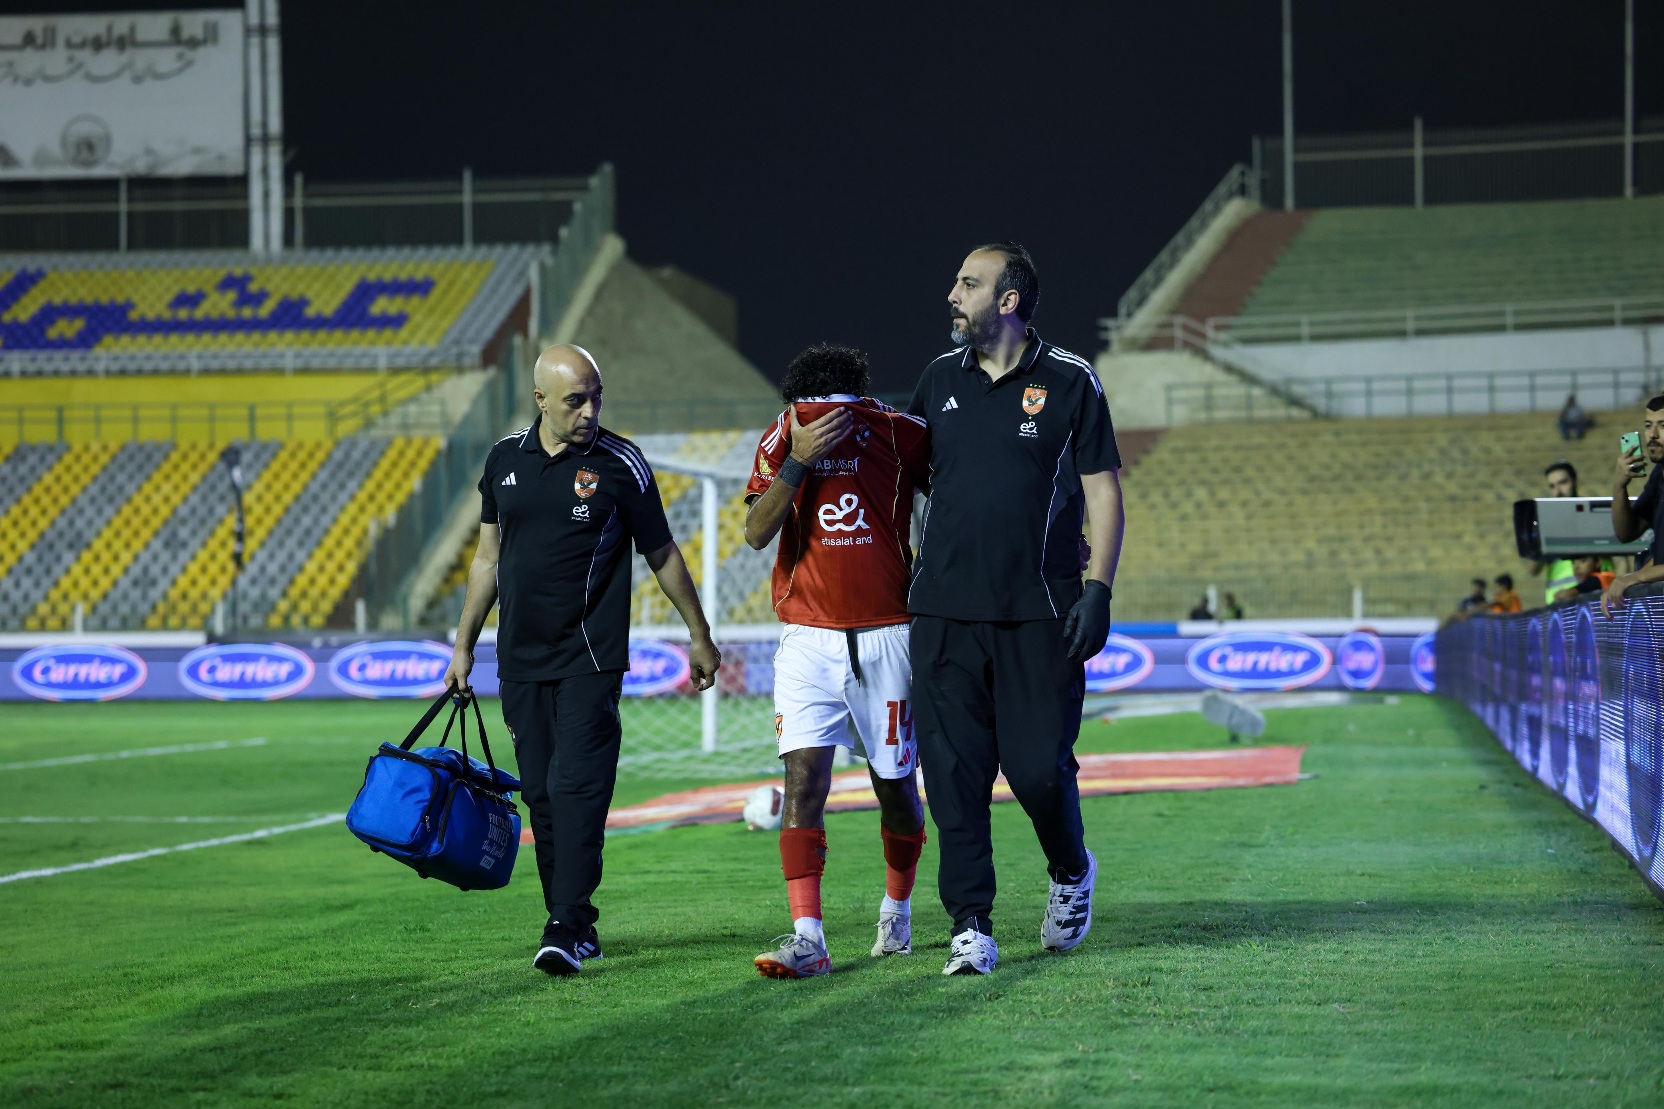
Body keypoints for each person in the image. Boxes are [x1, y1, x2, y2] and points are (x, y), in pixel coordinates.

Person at [442, 344, 720, 977]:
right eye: (575, 400)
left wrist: (698, 636)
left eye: (597, 397)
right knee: (541, 795)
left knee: (577, 789)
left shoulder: (621, 463)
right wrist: (463, 647)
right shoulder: (503, 461)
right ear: (540, 400)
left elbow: (664, 554)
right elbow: (486, 560)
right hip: (519, 661)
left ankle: (563, 926)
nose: (590, 410)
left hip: (591, 658)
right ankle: (575, 923)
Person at [906, 242, 1124, 976]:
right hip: (942, 615)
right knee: (954, 778)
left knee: (1037, 770)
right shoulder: (937, 381)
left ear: (1007, 300)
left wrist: (1099, 589)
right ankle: (970, 924)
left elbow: (1103, 491)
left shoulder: (1070, 380)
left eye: (968, 283)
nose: (952, 293)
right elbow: (909, 487)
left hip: (1041, 611)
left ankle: (1071, 870)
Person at [740, 344, 932, 979]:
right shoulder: (783, 436)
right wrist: (798, 460)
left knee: (895, 787)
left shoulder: (900, 433)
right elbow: (755, 530)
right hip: (807, 639)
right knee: (804, 785)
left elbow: (959, 495)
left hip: (887, 634)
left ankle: (897, 910)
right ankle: (808, 937)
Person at [1604, 394, 1664, 616]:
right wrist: (1619, 486)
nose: (1653, 435)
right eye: (1648, 426)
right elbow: (1626, 533)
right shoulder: (1659, 476)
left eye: (1662, 425)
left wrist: (1634, 577)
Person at [1532, 462, 1580, 603]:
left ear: (1575, 480)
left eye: (1563, 483)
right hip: (1557, 607)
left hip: (1594, 602)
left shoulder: (1593, 516)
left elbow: (1620, 563)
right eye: (1552, 486)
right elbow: (1533, 570)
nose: (1557, 492)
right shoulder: (1546, 522)